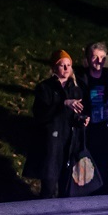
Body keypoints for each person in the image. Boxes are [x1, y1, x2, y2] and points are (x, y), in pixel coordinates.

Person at [31, 51, 89, 198]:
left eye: (68, 65)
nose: (66, 68)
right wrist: (63, 103)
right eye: (62, 65)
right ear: (54, 68)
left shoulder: (75, 88)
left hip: (69, 145)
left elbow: (73, 116)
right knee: (49, 188)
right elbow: (41, 114)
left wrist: (81, 120)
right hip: (51, 145)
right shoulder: (45, 88)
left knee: (68, 188)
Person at [77, 42, 108, 193]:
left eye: (102, 57)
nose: (98, 61)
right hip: (88, 130)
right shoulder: (82, 79)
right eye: (95, 57)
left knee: (104, 167)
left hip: (105, 129)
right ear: (88, 59)